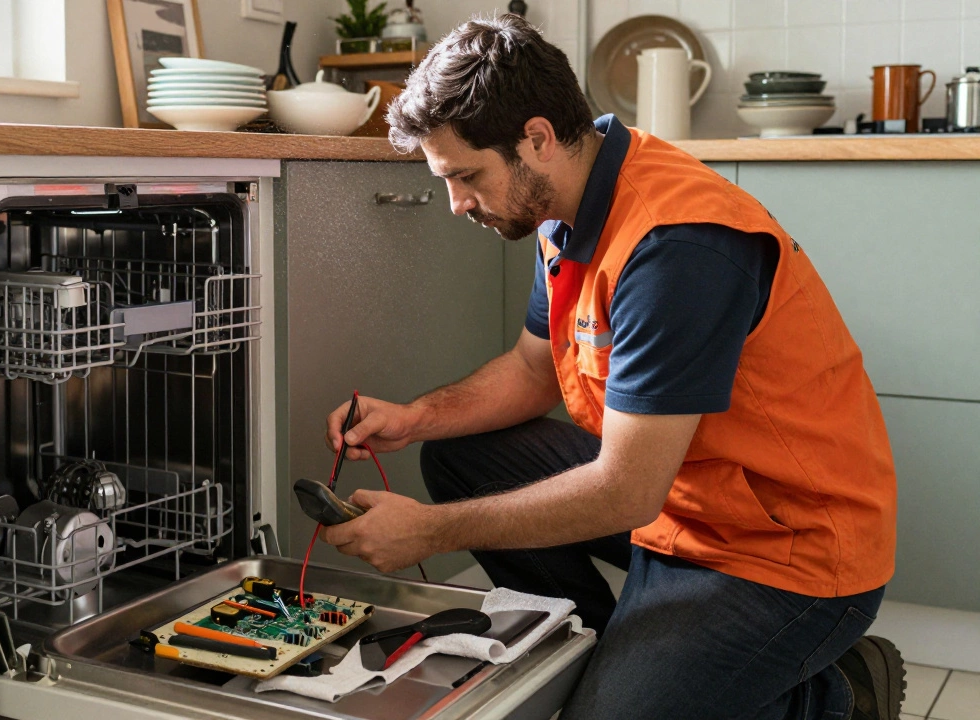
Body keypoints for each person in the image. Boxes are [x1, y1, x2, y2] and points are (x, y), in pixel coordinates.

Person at [317, 14, 903, 720]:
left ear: (536, 137)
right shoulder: (565, 205)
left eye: (466, 176)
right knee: (459, 456)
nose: (456, 204)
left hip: (781, 551)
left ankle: (827, 696)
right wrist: (412, 418)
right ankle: (617, 654)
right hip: (683, 497)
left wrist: (431, 532)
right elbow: (533, 373)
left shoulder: (676, 244)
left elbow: (626, 492)